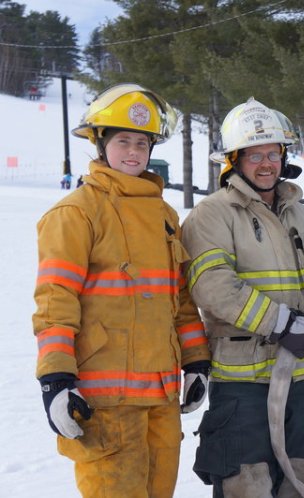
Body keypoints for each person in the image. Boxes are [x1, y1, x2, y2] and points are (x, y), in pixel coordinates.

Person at [32, 83, 211, 497]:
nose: (133, 152)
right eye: (123, 141)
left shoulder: (166, 215)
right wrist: (56, 379)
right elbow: (55, 301)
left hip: (162, 399)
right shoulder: (76, 212)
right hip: (104, 402)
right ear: (100, 145)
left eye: (142, 143)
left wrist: (197, 361)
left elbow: (179, 300)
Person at [181, 97, 304, 497]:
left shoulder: (300, 214)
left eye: (273, 153)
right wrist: (280, 323)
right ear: (233, 160)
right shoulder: (211, 215)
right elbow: (212, 285)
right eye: (254, 155)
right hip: (244, 383)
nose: (266, 164)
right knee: (248, 487)